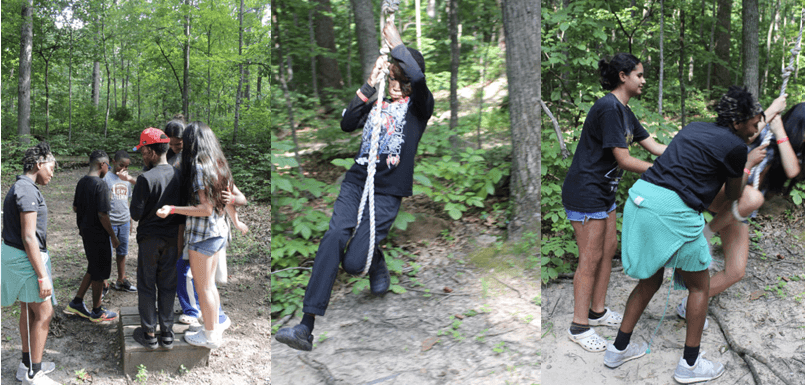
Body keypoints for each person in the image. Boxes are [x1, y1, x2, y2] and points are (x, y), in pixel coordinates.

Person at [274, 21, 434, 352]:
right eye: (392, 77)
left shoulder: (419, 108)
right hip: (357, 181)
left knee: (353, 262)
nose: (395, 84)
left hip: (388, 189)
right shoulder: (378, 101)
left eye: (400, 80)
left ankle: (376, 263)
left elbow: (418, 78)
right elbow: (347, 122)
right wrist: (369, 82)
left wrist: (397, 43)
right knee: (334, 237)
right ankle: (306, 327)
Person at [605, 86, 766, 383]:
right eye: (754, 124)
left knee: (649, 281)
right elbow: (733, 193)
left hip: (641, 197)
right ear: (737, 122)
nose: (756, 130)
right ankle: (689, 365)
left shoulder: (694, 127)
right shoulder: (736, 148)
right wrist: (748, 165)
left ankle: (617, 350)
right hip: (673, 210)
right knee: (699, 288)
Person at [561, 53, 666, 352]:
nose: (644, 80)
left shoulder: (624, 111)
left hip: (604, 192)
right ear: (623, 76)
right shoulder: (608, 108)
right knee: (590, 258)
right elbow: (624, 159)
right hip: (586, 191)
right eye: (640, 75)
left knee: (607, 253)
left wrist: (684, 153)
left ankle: (597, 311)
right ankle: (579, 326)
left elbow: (654, 146)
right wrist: (663, 171)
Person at [675, 98, 801, 322]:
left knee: (735, 271)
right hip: (722, 190)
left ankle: (689, 304)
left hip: (739, 208)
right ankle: (705, 234)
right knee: (753, 197)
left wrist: (781, 132)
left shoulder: (788, 148)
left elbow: (792, 170)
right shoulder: (762, 133)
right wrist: (773, 116)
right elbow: (741, 135)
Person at [155, 121, 248, 349]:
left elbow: (205, 209)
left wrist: (173, 209)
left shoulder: (198, 166)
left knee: (203, 287)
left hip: (203, 235)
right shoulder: (218, 163)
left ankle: (209, 336)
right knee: (209, 287)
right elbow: (225, 200)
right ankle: (213, 327)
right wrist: (235, 221)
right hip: (218, 233)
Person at [1, 142, 60, 384]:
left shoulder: (23, 186)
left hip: (19, 257)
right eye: (52, 168)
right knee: (44, 312)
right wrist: (42, 275)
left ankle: (27, 366)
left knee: (28, 309)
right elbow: (28, 237)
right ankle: (34, 375)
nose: (52, 173)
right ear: (39, 164)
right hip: (24, 260)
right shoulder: (26, 190)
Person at [129, 127, 184, 350]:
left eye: (143, 152)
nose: (142, 156)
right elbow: (182, 212)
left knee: (146, 284)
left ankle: (150, 334)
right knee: (168, 285)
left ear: (152, 152)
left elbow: (135, 214)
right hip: (172, 239)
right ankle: (167, 334)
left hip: (149, 240)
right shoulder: (179, 176)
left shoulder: (145, 178)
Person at [64, 150, 120, 323]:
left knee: (93, 266)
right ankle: (97, 311)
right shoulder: (101, 185)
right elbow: (103, 215)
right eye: (108, 166)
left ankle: (77, 302)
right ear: (102, 165)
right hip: (98, 234)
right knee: (99, 272)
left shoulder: (82, 182)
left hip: (86, 232)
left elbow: (75, 208)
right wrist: (113, 236)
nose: (108, 169)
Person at [104, 150, 138, 293]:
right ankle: (104, 282)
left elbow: (127, 201)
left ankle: (121, 280)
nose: (123, 169)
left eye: (126, 166)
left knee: (122, 252)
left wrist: (129, 220)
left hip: (124, 221)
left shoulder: (127, 180)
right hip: (110, 222)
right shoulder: (105, 178)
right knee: (106, 254)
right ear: (113, 162)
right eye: (120, 165)